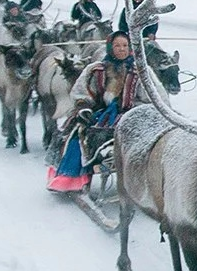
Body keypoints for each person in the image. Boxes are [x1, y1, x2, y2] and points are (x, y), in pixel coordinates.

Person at [47, 31, 143, 192]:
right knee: (78, 136)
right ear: (110, 48)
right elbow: (81, 93)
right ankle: (73, 177)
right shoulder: (96, 69)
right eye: (117, 46)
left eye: (125, 46)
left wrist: (140, 110)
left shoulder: (140, 71)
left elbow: (151, 96)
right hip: (99, 113)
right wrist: (84, 107)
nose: (122, 49)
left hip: (131, 114)